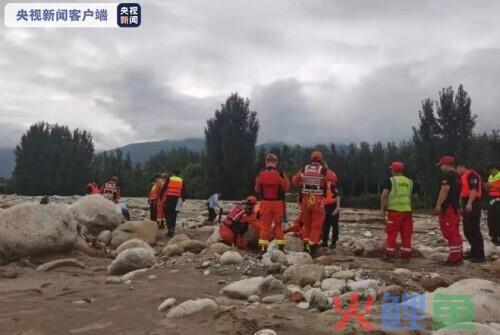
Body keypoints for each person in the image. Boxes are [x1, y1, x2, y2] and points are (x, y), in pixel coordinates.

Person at [292, 151, 337, 256]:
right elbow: (334, 178)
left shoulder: (304, 169)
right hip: (317, 200)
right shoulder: (323, 170)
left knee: (307, 225)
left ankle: (306, 246)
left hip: (305, 200)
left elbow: (294, 181)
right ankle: (312, 248)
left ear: (311, 159)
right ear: (321, 160)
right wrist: (326, 167)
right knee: (316, 225)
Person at [255, 153, 290, 252]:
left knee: (265, 226)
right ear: (276, 162)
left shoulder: (261, 173)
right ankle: (280, 249)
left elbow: (257, 189)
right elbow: (286, 187)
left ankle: (263, 249)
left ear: (266, 161)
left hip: (265, 203)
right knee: (278, 226)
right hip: (278, 203)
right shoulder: (280, 173)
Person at [380, 161, 413, 263]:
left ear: (393, 170)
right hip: (407, 211)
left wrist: (382, 210)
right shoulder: (409, 181)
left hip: (395, 212)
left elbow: (384, 195)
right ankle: (406, 257)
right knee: (406, 234)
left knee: (392, 234)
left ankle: (390, 256)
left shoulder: (391, 181)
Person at [434, 156, 463, 265]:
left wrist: (438, 205)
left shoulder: (448, 175)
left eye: (441, 165)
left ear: (446, 164)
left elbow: (445, 190)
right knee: (455, 232)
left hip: (448, 207)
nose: (440, 167)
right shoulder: (457, 176)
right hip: (455, 207)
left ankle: (454, 258)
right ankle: (458, 254)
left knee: (449, 232)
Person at [456, 162, 485, 262]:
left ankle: (480, 255)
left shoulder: (472, 175)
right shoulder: (463, 176)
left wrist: (469, 203)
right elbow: (463, 191)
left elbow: (474, 190)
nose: (457, 171)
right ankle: (474, 252)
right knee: (467, 230)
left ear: (462, 167)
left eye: (457, 169)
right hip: (466, 201)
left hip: (473, 202)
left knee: (474, 229)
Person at [165, 170, 185, 237]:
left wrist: (160, 197)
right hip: (178, 199)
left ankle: (169, 229)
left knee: (168, 214)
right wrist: (182, 200)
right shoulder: (181, 180)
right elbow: (184, 191)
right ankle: (172, 229)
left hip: (169, 198)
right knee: (174, 215)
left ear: (173, 173)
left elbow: (164, 188)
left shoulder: (169, 179)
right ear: (179, 174)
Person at [321, 181, 341, 249]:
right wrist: (322, 209)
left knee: (334, 225)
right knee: (326, 225)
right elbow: (322, 199)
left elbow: (338, 196)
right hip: (326, 207)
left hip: (333, 207)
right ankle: (324, 242)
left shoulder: (332, 185)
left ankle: (333, 242)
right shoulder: (322, 185)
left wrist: (337, 208)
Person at [486, 163, 500, 245]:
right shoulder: (491, 177)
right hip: (491, 199)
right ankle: (493, 235)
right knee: (491, 218)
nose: (490, 173)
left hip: (499, 200)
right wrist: (487, 187)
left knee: (498, 219)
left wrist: (492, 185)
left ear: (494, 168)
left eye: (490, 171)